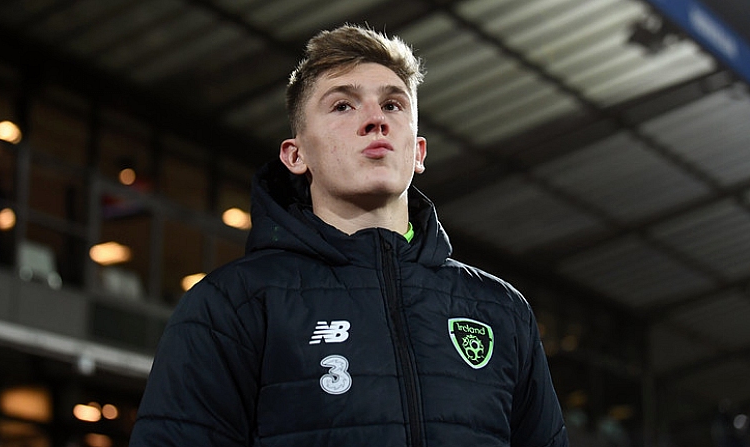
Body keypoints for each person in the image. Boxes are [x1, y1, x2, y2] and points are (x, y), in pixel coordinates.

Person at [130, 24, 569, 447]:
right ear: (295, 154)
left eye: (394, 105)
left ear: (417, 152)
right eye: (343, 105)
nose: (375, 120)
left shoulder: (500, 310)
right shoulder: (233, 304)